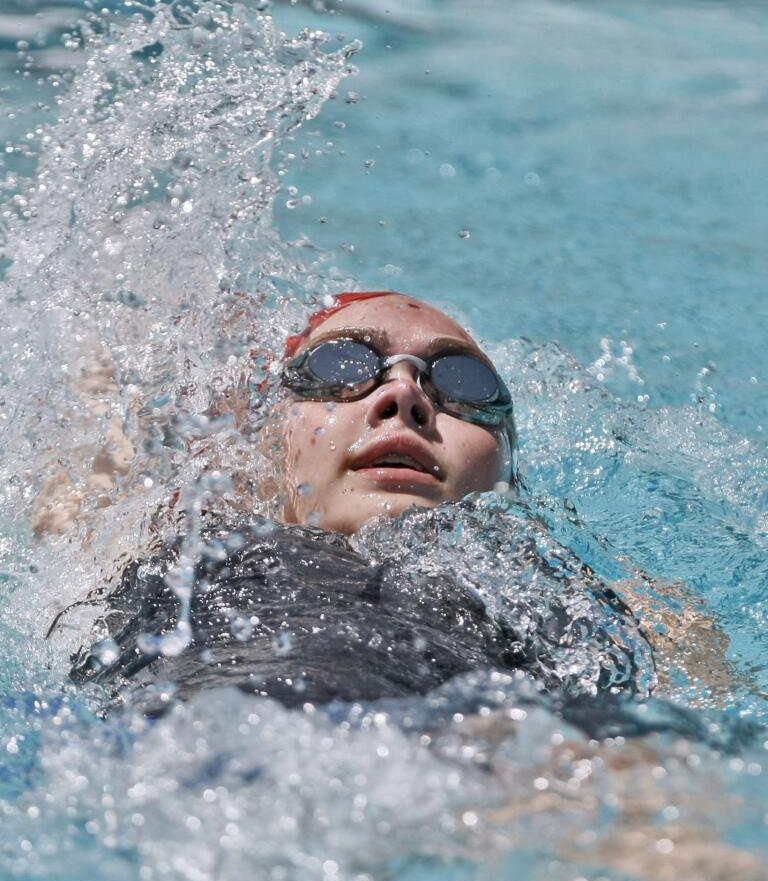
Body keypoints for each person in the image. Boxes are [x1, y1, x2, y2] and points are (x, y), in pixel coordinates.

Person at [49, 290, 652, 714]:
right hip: (199, 751)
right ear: (251, 458)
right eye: (341, 365)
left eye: (463, 384)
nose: (405, 396)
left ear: (505, 473)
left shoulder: (549, 589)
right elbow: (85, 463)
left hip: (495, 763)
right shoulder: (175, 551)